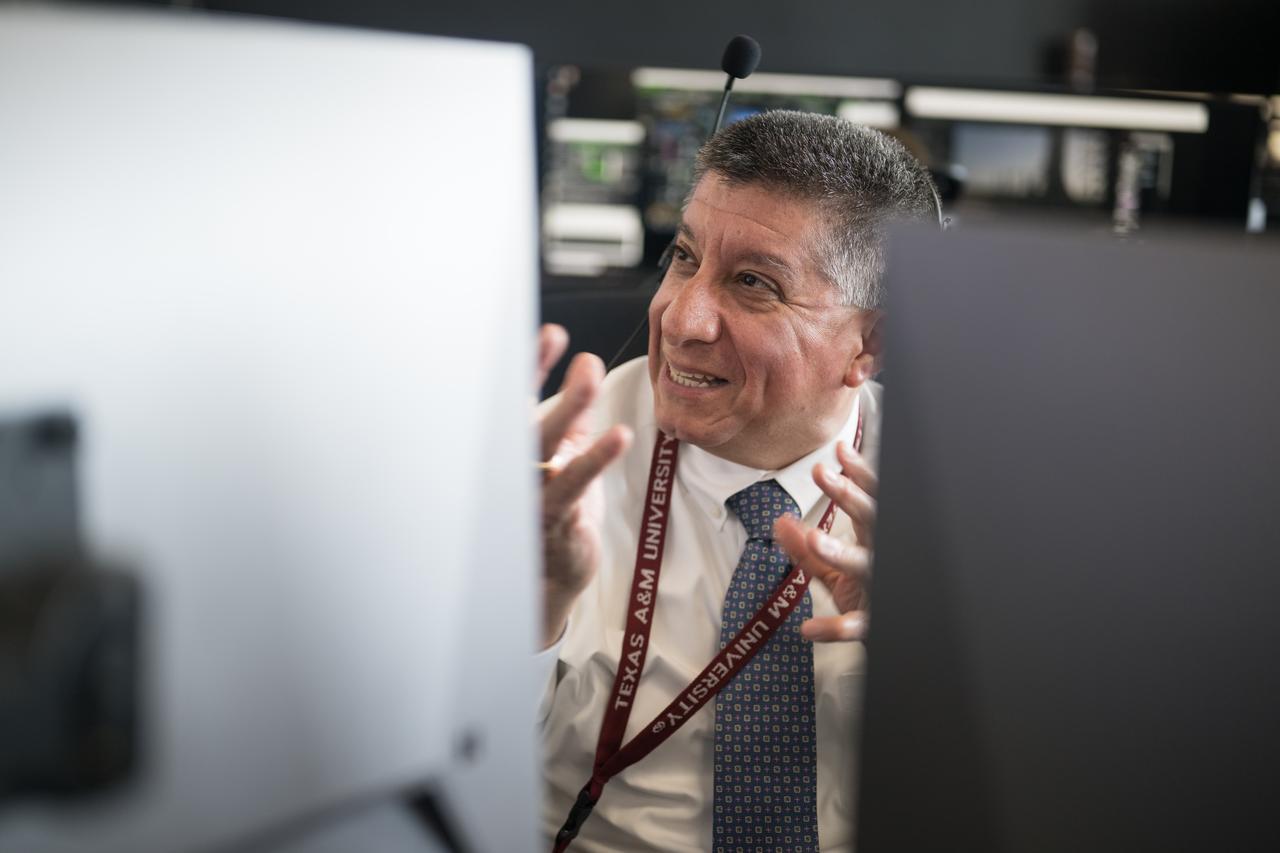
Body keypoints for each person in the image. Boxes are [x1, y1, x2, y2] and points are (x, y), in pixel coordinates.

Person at [534, 110, 939, 852]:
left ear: (869, 345)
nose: (680, 319)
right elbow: (435, 768)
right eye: (684, 257)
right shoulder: (555, 469)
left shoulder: (959, 502)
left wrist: (934, 664)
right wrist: (524, 609)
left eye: (754, 283)